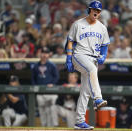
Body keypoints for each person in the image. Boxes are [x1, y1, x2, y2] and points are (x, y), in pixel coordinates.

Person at [65, 1, 110, 129]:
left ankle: (79, 121)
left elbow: (105, 45)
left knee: (85, 92)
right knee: (91, 70)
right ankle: (98, 99)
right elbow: (70, 42)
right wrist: (68, 58)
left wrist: (103, 55)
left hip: (93, 59)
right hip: (79, 55)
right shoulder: (78, 24)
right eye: (94, 9)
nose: (96, 12)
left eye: (99, 10)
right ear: (89, 10)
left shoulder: (102, 27)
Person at [32, 47, 59, 127]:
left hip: (50, 92)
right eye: (43, 53)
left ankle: (53, 127)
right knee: (42, 110)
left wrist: (52, 84)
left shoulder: (52, 65)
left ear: (48, 55)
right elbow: (33, 78)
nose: (44, 55)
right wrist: (35, 87)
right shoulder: (36, 66)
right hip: (40, 91)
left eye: (46, 53)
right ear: (40, 54)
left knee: (51, 110)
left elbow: (56, 77)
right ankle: (44, 127)